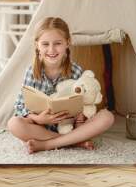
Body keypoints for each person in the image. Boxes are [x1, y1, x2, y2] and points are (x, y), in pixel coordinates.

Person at [7, 17, 114, 154]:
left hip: (69, 126)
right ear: (37, 45)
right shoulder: (31, 71)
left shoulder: (76, 71)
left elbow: (83, 103)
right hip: (41, 128)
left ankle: (47, 145)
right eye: (45, 44)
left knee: (107, 117)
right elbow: (20, 107)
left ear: (67, 43)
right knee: (13, 124)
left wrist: (80, 117)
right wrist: (38, 118)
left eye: (57, 43)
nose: (51, 50)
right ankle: (74, 142)